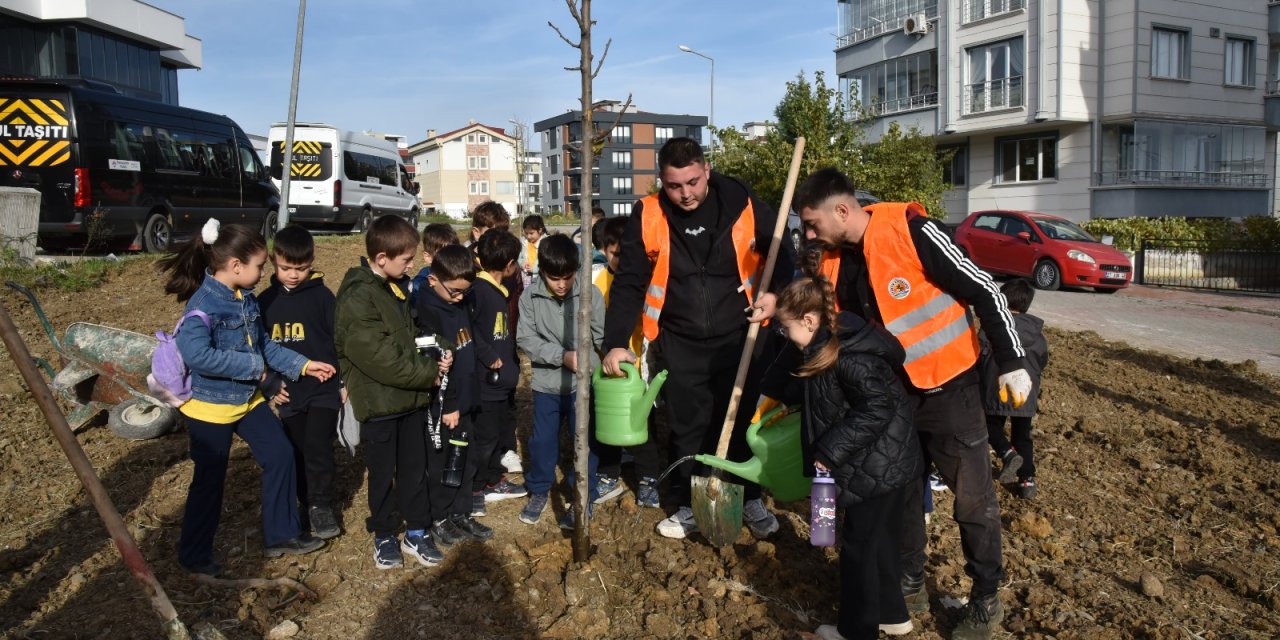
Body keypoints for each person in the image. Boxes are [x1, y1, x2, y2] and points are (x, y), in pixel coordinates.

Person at [793, 167, 1032, 639]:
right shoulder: (833, 260)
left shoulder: (913, 231)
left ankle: (986, 595)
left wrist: (1012, 359)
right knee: (901, 492)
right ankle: (910, 581)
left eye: (812, 222)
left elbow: (984, 289)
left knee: (972, 497)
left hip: (950, 389)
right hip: (892, 400)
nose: (808, 233)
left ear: (842, 210)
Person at [600, 136, 794, 540]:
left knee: (742, 418)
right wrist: (616, 340)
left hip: (741, 334)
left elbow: (783, 249)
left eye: (692, 182)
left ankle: (749, 496)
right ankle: (690, 503)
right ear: (661, 181)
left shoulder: (740, 200)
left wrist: (774, 293)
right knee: (689, 424)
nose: (685, 194)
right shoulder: (648, 213)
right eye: (674, 185)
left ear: (706, 170)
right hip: (679, 337)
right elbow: (630, 281)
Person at [159, 220, 334, 577]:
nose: (263, 272)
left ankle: (282, 535)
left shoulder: (245, 299)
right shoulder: (204, 304)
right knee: (210, 479)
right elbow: (196, 355)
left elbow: (266, 343)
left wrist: (302, 365)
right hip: (210, 406)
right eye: (259, 265)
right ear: (236, 266)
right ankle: (194, 555)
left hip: (246, 400)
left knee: (280, 454)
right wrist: (255, 368)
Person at [774, 277, 920, 640]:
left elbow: (876, 407)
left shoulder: (849, 355)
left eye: (785, 326)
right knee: (881, 544)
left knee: (859, 550)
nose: (783, 333)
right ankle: (892, 614)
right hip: (885, 462)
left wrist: (829, 449)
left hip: (876, 464)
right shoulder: (826, 345)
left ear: (809, 321)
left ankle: (856, 630)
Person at [336, 215, 453, 569]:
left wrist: (440, 348)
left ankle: (417, 532)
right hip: (382, 403)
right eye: (406, 259)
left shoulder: (394, 287)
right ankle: (385, 533)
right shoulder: (359, 298)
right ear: (382, 257)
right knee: (384, 473)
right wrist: (430, 374)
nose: (412, 264)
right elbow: (380, 357)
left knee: (415, 469)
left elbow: (413, 333)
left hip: (409, 401)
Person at [257, 225, 345, 541]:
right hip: (287, 393)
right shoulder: (264, 303)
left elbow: (339, 341)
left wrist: (343, 379)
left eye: (301, 268)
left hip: (324, 387)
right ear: (272, 262)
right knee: (295, 449)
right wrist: (269, 385)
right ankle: (303, 502)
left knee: (318, 447)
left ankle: (321, 505)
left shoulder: (323, 297)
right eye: (285, 268)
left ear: (312, 262)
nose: (293, 275)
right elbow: (258, 349)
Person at [515, 234, 606, 529]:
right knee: (542, 441)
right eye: (555, 278)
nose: (562, 285)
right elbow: (526, 338)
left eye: (568, 277)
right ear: (541, 271)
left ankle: (583, 495)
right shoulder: (530, 297)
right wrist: (561, 356)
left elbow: (601, 336)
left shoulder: (590, 294)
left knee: (586, 442)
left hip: (584, 385)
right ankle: (540, 489)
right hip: (547, 385)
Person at [413, 243, 493, 545]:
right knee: (444, 462)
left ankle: (461, 512)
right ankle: (440, 516)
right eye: (455, 291)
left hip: (466, 401)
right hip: (446, 405)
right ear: (433, 279)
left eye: (464, 292)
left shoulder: (459, 304)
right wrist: (449, 405)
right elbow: (437, 366)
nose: (460, 297)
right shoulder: (427, 312)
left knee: (466, 459)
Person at [592, 215, 661, 508]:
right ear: (604, 250)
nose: (620, 260)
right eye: (615, 254)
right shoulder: (599, 283)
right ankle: (609, 473)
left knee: (645, 422)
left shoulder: (647, 280)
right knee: (606, 420)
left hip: (642, 366)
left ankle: (647, 478)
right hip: (609, 366)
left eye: (626, 254)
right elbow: (595, 324)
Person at [469, 230, 528, 509]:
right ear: (509, 265)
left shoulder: (497, 292)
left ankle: (493, 479)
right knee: (484, 438)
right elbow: (467, 328)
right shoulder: (479, 292)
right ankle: (477, 487)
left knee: (494, 436)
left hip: (499, 384)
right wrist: (488, 354)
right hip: (485, 384)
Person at [982, 279, 1049, 500]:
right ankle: (1027, 481)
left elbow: (978, 356)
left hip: (996, 389)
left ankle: (1007, 453)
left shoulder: (992, 328)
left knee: (990, 427)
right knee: (1023, 436)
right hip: (1025, 392)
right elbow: (1042, 361)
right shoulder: (1037, 335)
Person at [410, 222, 462, 306]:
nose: (451, 259)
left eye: (454, 253)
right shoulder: (420, 284)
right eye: (444, 255)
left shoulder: (460, 278)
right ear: (428, 257)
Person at [517, 214, 547, 288]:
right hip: (526, 276)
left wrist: (534, 269)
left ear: (540, 230)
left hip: (540, 277)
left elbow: (547, 261)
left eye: (531, 233)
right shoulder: (524, 242)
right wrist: (523, 264)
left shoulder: (546, 243)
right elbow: (519, 257)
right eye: (526, 233)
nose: (528, 236)